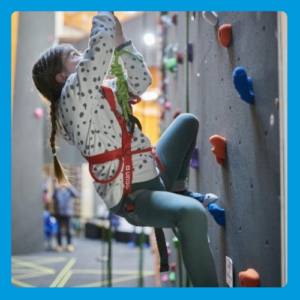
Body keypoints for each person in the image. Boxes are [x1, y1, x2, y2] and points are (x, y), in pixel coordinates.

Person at [32, 11, 220, 286]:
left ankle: (179, 191)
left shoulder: (98, 91)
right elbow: (98, 52)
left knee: (187, 123)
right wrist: (105, 15)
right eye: (73, 55)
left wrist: (121, 43)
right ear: (62, 77)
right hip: (136, 195)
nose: (81, 56)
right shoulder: (71, 97)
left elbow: (141, 81)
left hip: (153, 172)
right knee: (192, 215)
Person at [52, 183, 79, 252]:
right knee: (59, 231)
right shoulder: (57, 190)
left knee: (69, 230)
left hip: (68, 213)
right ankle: (59, 245)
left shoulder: (69, 190)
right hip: (59, 213)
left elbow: (76, 194)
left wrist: (69, 186)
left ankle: (69, 245)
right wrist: (56, 188)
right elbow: (53, 197)